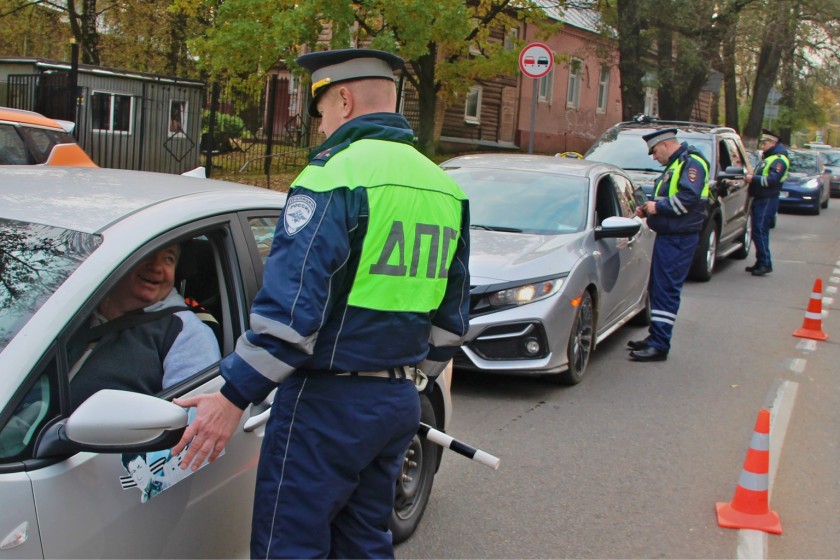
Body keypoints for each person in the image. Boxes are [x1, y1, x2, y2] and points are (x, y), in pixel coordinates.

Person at [171, 48, 471, 558]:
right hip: (398, 401)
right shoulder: (444, 186)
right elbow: (451, 317)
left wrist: (232, 396)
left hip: (328, 406)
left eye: (323, 111)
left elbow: (291, 315)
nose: (321, 127)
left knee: (288, 546)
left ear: (345, 100)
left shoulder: (334, 175)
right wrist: (409, 375)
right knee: (364, 542)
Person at [69, 244, 221, 410]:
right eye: (148, 254)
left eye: (168, 259)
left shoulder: (188, 333)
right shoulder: (72, 309)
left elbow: (189, 419)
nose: (156, 267)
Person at [627, 128, 709, 362]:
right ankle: (655, 337)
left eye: (654, 152)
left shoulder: (692, 163)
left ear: (664, 145)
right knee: (659, 288)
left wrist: (657, 208)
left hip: (679, 237)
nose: (654, 157)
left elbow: (687, 199)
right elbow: (670, 196)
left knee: (666, 290)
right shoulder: (677, 164)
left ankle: (660, 344)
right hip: (671, 236)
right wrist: (649, 207)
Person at [744, 129, 789, 276]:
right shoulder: (769, 158)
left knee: (760, 230)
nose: (762, 145)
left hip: (767, 199)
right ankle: (761, 261)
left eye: (765, 142)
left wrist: (753, 179)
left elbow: (772, 180)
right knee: (758, 231)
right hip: (761, 198)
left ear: (772, 143)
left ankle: (765, 263)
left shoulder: (779, 160)